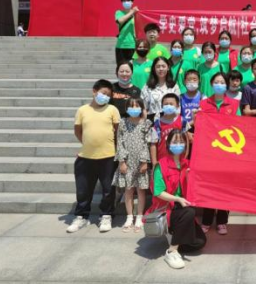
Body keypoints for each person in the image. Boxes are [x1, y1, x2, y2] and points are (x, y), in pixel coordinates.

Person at [147, 129, 207, 269]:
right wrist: (177, 199)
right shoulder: (161, 165)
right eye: (175, 142)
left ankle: (175, 236)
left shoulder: (187, 163)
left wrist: (189, 177)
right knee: (189, 212)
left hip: (181, 208)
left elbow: (194, 187)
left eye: (181, 141)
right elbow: (158, 192)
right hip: (167, 209)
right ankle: (172, 251)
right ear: (168, 144)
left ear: (185, 144)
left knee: (199, 242)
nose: (178, 144)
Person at [68, 79, 120, 233]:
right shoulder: (82, 110)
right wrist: (88, 144)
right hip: (86, 157)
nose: (105, 97)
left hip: (108, 156)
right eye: (103, 93)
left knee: (108, 189)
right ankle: (81, 216)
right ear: (94, 91)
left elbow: (118, 131)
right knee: (83, 189)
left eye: (108, 95)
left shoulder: (112, 109)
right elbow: (78, 131)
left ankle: (106, 215)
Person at [197, 72, 241, 234]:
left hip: (227, 152)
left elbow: (239, 126)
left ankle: (222, 221)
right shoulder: (203, 104)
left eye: (222, 82)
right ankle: (207, 220)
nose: (219, 85)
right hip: (208, 152)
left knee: (224, 187)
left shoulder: (234, 104)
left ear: (227, 85)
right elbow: (198, 126)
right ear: (211, 84)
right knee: (209, 186)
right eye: (216, 82)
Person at [112, 97, 155, 233]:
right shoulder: (123, 122)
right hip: (127, 161)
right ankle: (129, 217)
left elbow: (147, 143)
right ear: (126, 108)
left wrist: (144, 161)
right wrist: (122, 161)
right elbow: (120, 142)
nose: (134, 109)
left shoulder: (146, 123)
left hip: (141, 161)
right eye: (131, 106)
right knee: (128, 190)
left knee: (141, 190)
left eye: (137, 106)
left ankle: (139, 216)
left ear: (142, 108)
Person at [150, 93, 183, 166]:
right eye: (166, 104)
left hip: (180, 161)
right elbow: (153, 144)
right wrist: (154, 162)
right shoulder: (157, 123)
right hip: (162, 162)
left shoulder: (182, 121)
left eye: (171, 104)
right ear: (162, 106)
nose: (168, 106)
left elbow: (187, 140)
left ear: (177, 106)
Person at [114, 0, 137, 65]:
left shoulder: (137, 14)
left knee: (132, 68)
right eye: (124, 1)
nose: (126, 2)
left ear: (132, 2)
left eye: (128, 0)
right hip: (121, 45)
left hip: (132, 45)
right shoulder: (119, 12)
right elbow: (120, 21)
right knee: (121, 67)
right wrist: (132, 12)